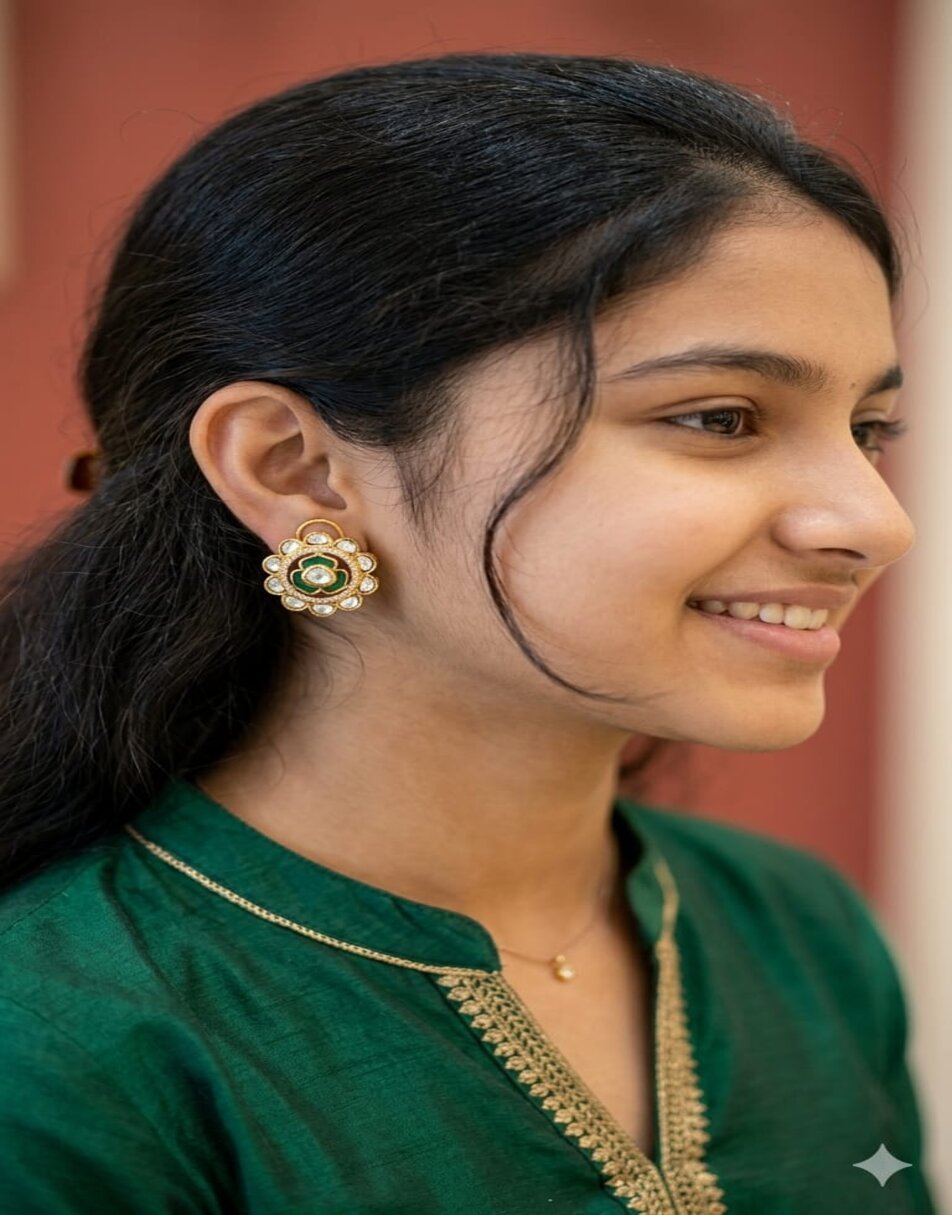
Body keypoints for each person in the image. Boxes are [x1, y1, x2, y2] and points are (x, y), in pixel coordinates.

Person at [0, 51, 937, 1214]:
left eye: (869, 429)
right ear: (296, 470)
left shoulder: (797, 931)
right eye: (720, 417)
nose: (872, 522)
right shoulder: (55, 1037)